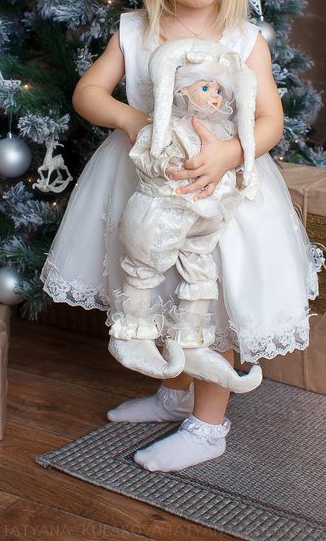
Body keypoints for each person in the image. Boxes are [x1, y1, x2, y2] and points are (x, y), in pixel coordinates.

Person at [40, 0, 322, 473]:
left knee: (210, 302)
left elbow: (271, 120)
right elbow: (88, 92)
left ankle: (208, 425)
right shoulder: (136, 31)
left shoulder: (243, 40)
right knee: (161, 289)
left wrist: (229, 153)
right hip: (146, 189)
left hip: (217, 196)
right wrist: (132, 120)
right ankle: (175, 391)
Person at [109, 37, 263, 394]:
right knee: (144, 264)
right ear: (180, 90)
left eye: (219, 90)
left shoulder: (223, 131)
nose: (215, 97)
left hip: (205, 215)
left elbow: (246, 147)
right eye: (205, 87)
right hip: (164, 211)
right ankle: (133, 330)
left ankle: (190, 337)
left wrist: (235, 165)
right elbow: (146, 155)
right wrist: (164, 165)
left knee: (201, 270)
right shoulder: (167, 128)